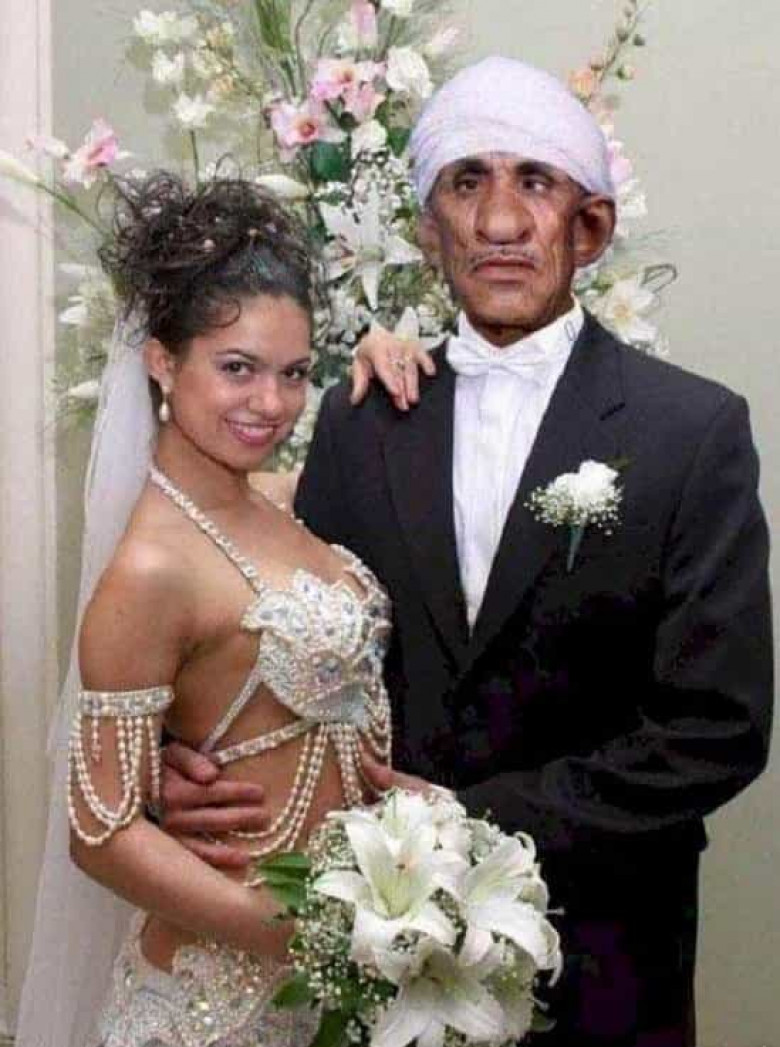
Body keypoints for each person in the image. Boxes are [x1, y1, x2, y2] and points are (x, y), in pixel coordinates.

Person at [161, 57, 774, 1047]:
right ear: (426, 228)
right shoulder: (363, 420)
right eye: (466, 182)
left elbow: (718, 727)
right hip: (377, 960)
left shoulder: (690, 432)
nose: (498, 222)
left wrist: (471, 818)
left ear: (590, 227)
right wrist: (190, 762)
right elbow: (284, 652)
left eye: (535, 182)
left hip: (607, 961)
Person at [16, 173, 393, 1047]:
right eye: (237, 368)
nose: (271, 403)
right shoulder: (151, 564)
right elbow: (99, 833)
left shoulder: (272, 502)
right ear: (161, 362)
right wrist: (285, 933)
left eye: (293, 373)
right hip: (208, 1003)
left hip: (328, 984)